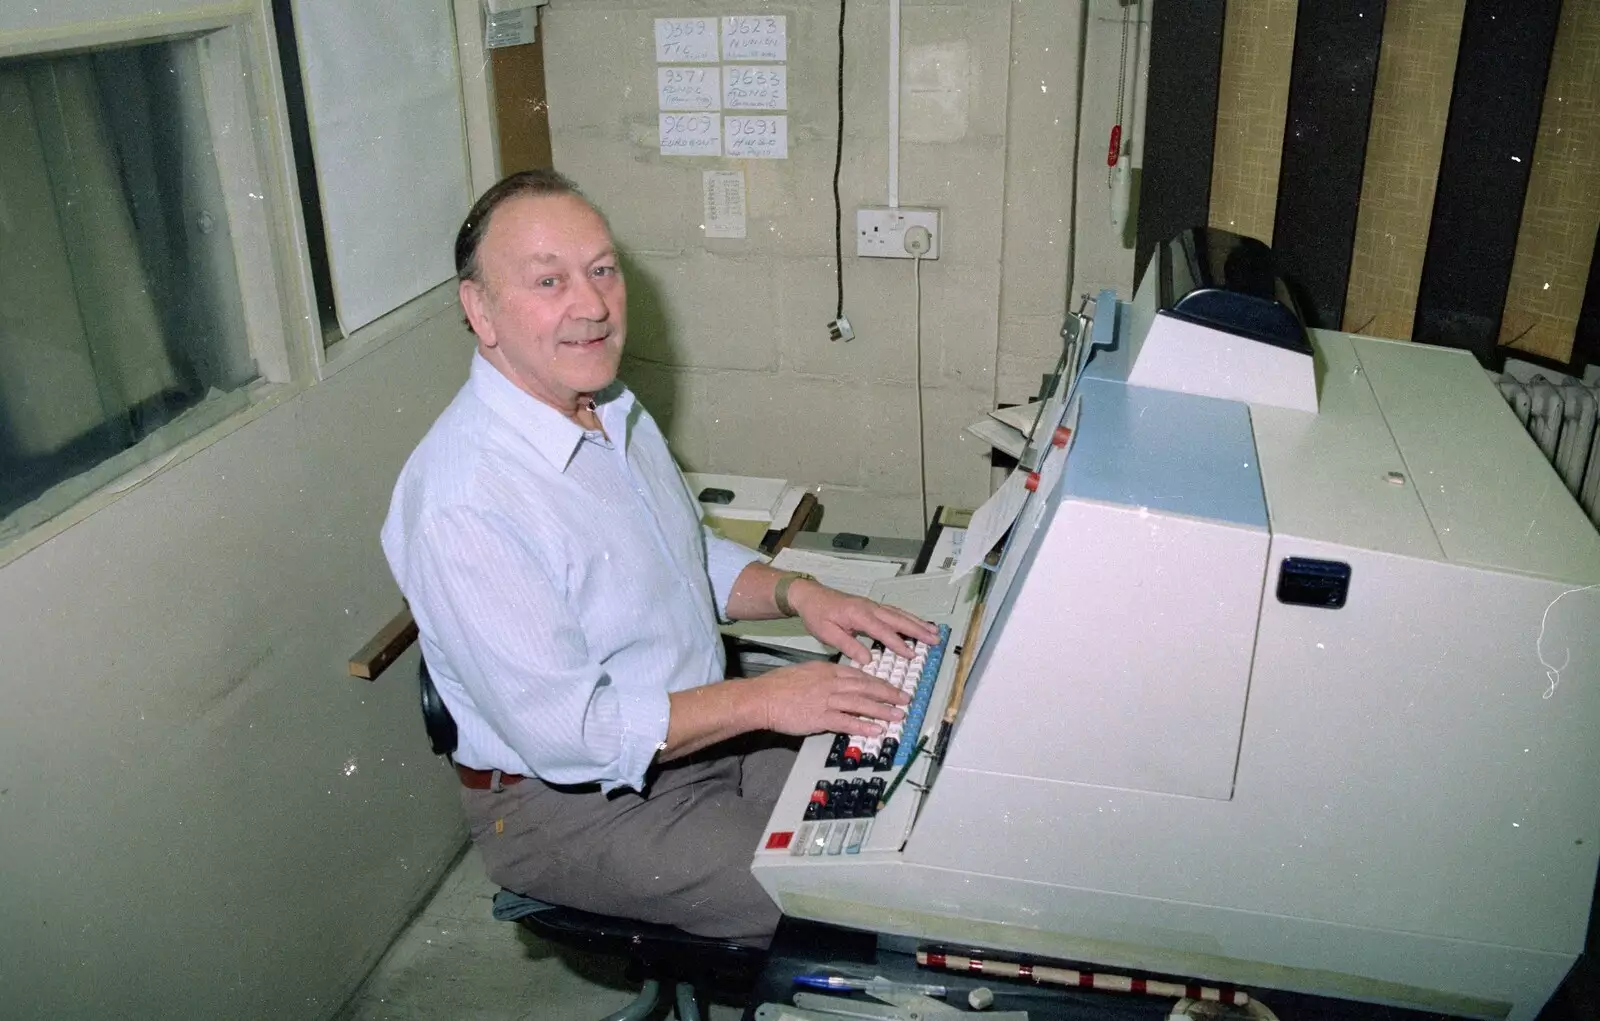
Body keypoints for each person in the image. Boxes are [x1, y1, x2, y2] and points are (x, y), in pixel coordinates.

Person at [381, 169, 938, 946]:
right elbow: (574, 734)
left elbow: (685, 557)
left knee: (917, 793)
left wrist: (800, 593)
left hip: (697, 736)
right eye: (549, 281)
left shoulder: (606, 403)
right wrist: (767, 700)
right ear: (481, 310)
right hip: (572, 808)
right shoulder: (464, 498)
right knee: (873, 896)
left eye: (602, 270)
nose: (592, 304)